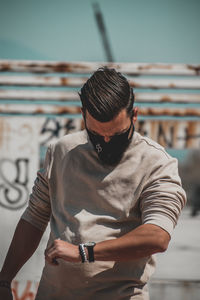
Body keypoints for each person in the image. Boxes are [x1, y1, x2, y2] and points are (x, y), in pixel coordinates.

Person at [0, 67, 186, 300]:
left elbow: (157, 236)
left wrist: (84, 252)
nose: (106, 142)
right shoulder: (61, 151)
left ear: (135, 115)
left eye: (117, 135)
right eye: (97, 135)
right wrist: (4, 279)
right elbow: (35, 217)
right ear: (83, 115)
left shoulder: (157, 163)